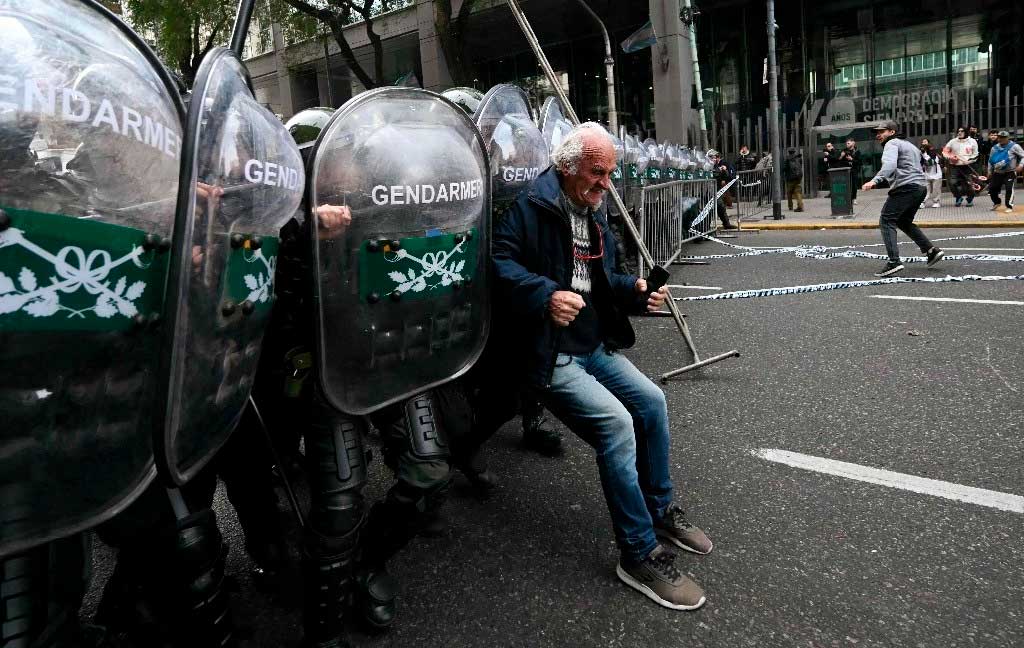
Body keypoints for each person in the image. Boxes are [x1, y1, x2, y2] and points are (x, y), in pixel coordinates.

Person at [493, 122, 713, 611]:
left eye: (611, 173)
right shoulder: (528, 209)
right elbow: (498, 266)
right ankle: (636, 553)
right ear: (568, 168)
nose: (606, 183)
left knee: (652, 402)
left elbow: (604, 276)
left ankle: (659, 510)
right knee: (616, 426)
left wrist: (634, 292)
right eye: (598, 172)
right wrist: (545, 295)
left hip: (593, 342)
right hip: (551, 351)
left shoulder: (594, 211)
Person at [862, 121, 945, 277]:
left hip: (905, 187)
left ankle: (894, 262)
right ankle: (931, 251)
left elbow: (890, 164)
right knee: (903, 221)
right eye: (877, 132)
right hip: (920, 188)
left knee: (886, 220)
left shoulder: (891, 144)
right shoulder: (910, 145)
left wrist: (875, 180)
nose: (878, 135)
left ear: (892, 132)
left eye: (882, 131)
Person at [987, 130, 1024, 214]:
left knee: (1009, 188)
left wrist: (1021, 165)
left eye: (1003, 137)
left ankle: (1009, 206)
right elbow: (990, 160)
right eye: (1000, 137)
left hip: (1010, 172)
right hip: (998, 172)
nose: (1001, 139)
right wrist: (989, 171)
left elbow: (1023, 156)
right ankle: (997, 202)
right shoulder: (994, 148)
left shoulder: (1014, 146)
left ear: (1008, 138)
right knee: (992, 189)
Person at [942, 126, 979, 207]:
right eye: (958, 131)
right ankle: (958, 197)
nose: (959, 132)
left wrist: (969, 161)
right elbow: (945, 151)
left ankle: (970, 199)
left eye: (962, 131)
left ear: (966, 132)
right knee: (952, 183)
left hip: (968, 166)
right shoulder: (952, 141)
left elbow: (976, 154)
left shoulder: (972, 141)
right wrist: (950, 157)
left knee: (969, 184)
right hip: (955, 166)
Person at [708, 149, 736, 229]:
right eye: (713, 158)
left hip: (716, 190)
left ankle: (726, 224)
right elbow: (712, 174)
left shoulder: (717, 166)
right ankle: (706, 227)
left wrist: (724, 170)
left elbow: (726, 176)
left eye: (715, 157)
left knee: (721, 207)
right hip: (708, 191)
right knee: (709, 210)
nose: (715, 159)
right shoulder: (707, 166)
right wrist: (719, 170)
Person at [838, 138, 863, 204]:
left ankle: (854, 198)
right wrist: (841, 156)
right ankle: (848, 198)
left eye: (848, 143)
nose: (847, 144)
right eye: (846, 143)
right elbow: (839, 160)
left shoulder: (857, 151)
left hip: (854, 170)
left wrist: (851, 159)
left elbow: (859, 162)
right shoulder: (844, 151)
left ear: (853, 143)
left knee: (854, 185)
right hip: (846, 170)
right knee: (846, 185)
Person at [919, 138, 943, 208]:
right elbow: (920, 163)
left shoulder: (933, 152)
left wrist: (924, 154)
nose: (924, 143)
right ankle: (922, 202)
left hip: (936, 174)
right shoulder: (921, 153)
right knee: (925, 189)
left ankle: (936, 202)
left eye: (925, 142)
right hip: (926, 174)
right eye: (922, 142)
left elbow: (931, 162)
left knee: (936, 189)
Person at [783, 147, 804, 212]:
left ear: (788, 152)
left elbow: (784, 168)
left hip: (790, 178)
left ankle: (790, 206)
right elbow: (800, 165)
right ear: (794, 152)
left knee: (789, 193)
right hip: (798, 177)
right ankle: (800, 206)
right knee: (798, 192)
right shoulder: (799, 158)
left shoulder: (787, 159)